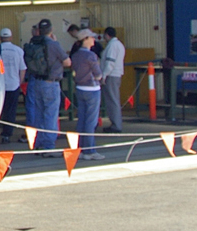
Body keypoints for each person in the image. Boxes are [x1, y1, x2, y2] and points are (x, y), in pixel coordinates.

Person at [23, 18, 69, 152]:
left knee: (38, 114)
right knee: (50, 114)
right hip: (51, 83)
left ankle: (38, 143)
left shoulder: (33, 43)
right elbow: (67, 62)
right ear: (51, 30)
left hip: (36, 81)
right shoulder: (54, 44)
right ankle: (49, 146)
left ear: (39, 31)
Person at [72, 29, 106, 161]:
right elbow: (98, 74)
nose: (93, 40)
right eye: (91, 37)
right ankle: (90, 150)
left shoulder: (75, 56)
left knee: (81, 119)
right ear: (85, 39)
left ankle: (80, 148)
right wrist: (99, 77)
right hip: (92, 89)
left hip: (80, 88)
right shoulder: (91, 56)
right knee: (90, 121)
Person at [0, 27, 24, 144]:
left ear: (0, 38)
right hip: (13, 85)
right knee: (10, 111)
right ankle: (6, 135)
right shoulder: (18, 50)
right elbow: (22, 69)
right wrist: (19, 82)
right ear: (11, 37)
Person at [100, 26, 126, 133]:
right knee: (113, 99)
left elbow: (110, 62)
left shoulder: (112, 46)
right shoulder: (119, 45)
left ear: (107, 35)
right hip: (116, 74)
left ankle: (116, 125)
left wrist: (104, 75)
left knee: (112, 100)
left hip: (111, 75)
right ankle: (116, 123)